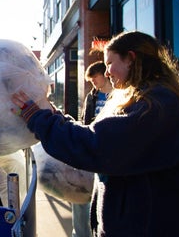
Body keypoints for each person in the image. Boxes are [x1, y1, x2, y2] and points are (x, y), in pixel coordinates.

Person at [11, 31, 179, 236]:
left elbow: (98, 146)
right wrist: (54, 116)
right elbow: (98, 135)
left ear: (131, 59)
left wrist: (39, 119)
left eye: (110, 63)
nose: (107, 73)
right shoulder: (148, 99)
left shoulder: (156, 104)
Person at [72, 61, 113, 237]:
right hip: (93, 149)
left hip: (112, 154)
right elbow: (85, 121)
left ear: (104, 74)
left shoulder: (120, 95)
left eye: (95, 77)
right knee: (80, 196)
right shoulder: (91, 97)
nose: (93, 82)